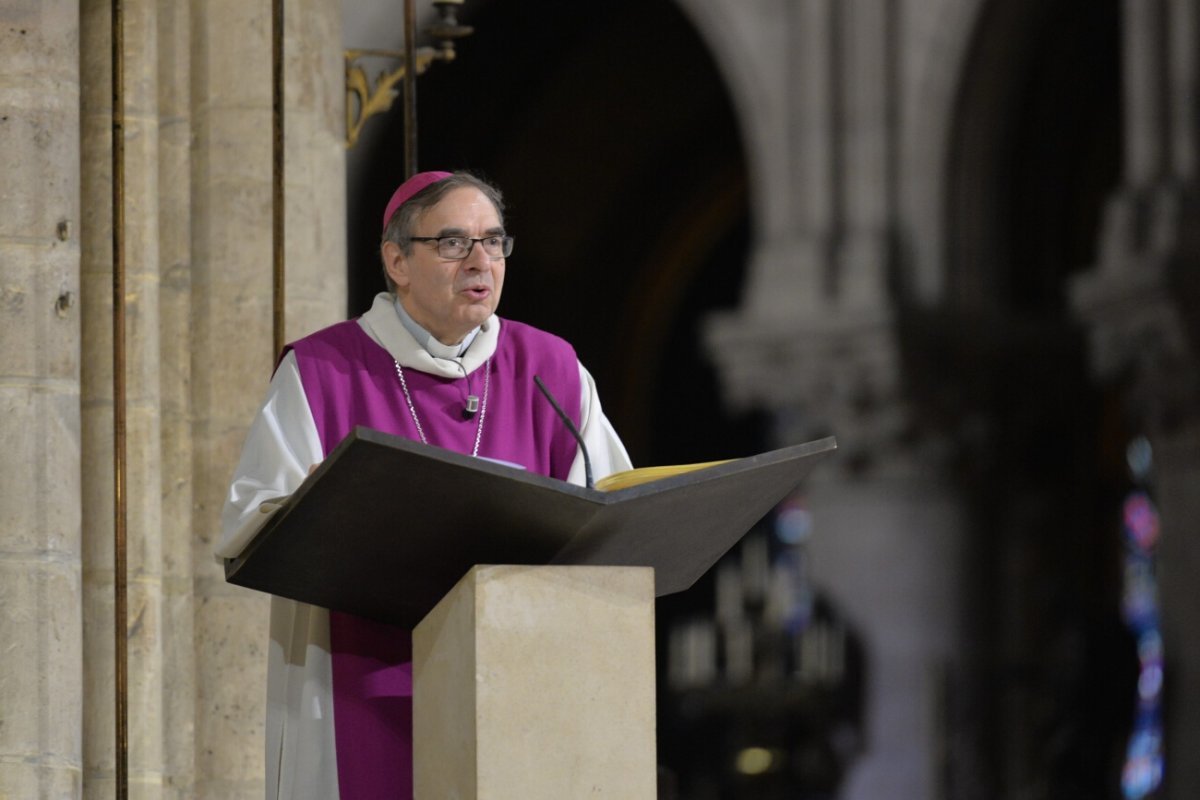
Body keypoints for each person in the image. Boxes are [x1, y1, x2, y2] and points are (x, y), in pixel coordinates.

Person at [217, 170, 632, 800]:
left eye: (494, 242)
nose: (480, 261)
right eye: (453, 243)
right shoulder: (324, 370)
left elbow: (612, 517)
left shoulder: (552, 370)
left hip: (520, 683)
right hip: (359, 675)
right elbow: (254, 518)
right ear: (397, 261)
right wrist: (313, 509)